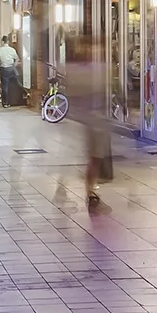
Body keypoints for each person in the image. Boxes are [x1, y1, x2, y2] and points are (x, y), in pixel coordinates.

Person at [63, 33, 114, 212]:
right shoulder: (81, 69)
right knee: (94, 157)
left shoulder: (99, 67)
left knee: (96, 157)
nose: (93, 50)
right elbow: (76, 93)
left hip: (99, 118)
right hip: (90, 119)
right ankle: (90, 191)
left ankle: (91, 189)